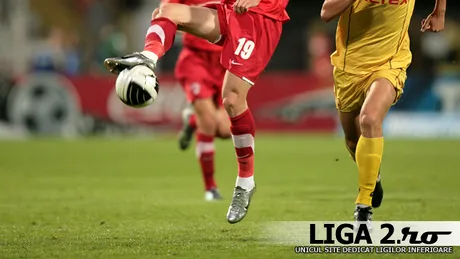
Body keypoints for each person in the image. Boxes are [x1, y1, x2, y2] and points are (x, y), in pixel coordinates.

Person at [103, 0, 290, 224]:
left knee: (231, 100)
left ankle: (245, 181)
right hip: (227, 13)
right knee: (168, 11)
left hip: (259, 16)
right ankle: (147, 58)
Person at [320, 0, 446, 223]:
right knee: (352, 140)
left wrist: (439, 12)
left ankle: (363, 205)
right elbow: (326, 12)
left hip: (390, 63)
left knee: (369, 119)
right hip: (350, 67)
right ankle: (373, 175)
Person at [160, 0, 232, 201]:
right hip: (196, 60)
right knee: (208, 121)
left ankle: (192, 120)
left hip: (225, 60)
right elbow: (164, 13)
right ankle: (211, 188)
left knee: (226, 130)